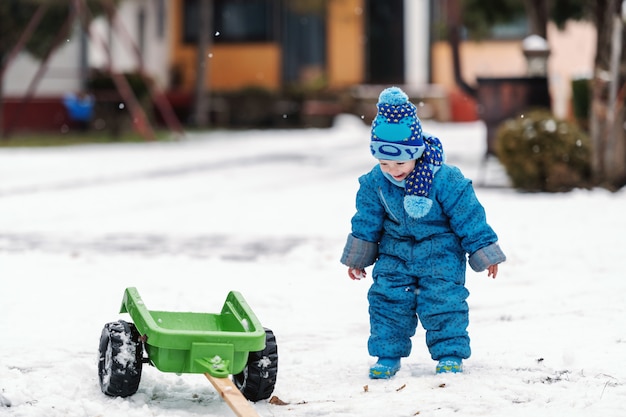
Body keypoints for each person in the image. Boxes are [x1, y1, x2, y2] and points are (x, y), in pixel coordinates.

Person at [340, 86, 506, 378]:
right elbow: (366, 220)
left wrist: (484, 251)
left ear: (415, 152)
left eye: (400, 162)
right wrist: (358, 256)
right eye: (384, 162)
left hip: (440, 252)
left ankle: (450, 353)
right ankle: (387, 355)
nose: (393, 170)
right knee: (387, 301)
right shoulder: (374, 183)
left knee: (444, 301)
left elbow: (468, 215)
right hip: (394, 253)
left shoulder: (445, 179)